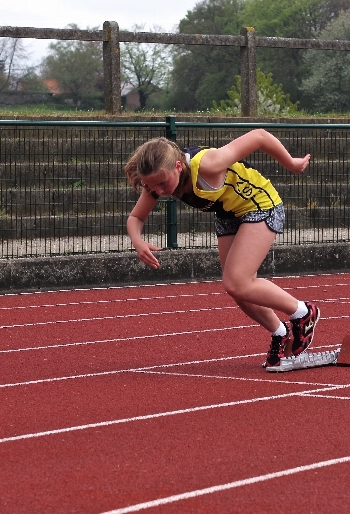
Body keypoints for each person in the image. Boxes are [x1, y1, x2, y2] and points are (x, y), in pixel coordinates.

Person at [124, 129, 320, 369]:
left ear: (178, 166)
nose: (160, 192)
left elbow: (259, 136)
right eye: (152, 187)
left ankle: (303, 312)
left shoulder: (207, 164)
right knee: (238, 290)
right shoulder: (157, 180)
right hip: (228, 214)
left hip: (260, 204)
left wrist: (292, 163)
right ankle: (280, 333)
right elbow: (136, 217)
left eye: (163, 184)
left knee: (237, 281)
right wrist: (138, 241)